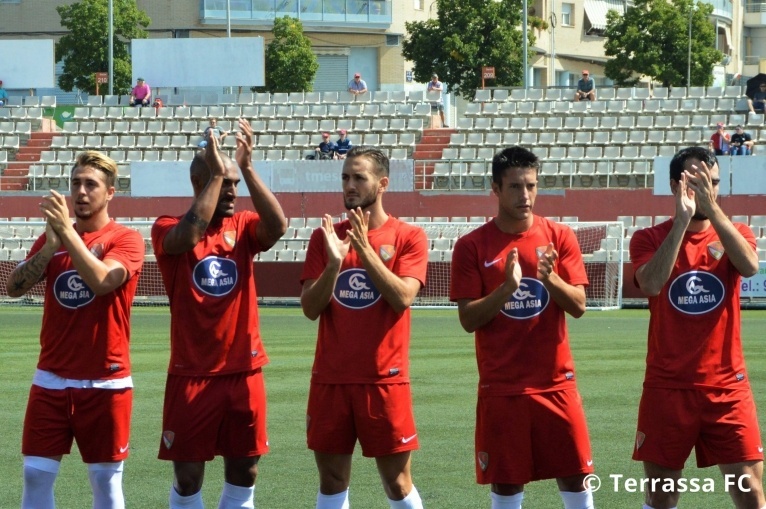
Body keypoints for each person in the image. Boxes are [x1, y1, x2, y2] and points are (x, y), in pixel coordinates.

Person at [151, 118, 287, 509]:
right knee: (188, 476)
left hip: (243, 370)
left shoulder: (242, 226)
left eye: (234, 184)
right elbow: (188, 236)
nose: (232, 191)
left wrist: (245, 167)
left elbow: (278, 226)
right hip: (192, 374)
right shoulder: (165, 227)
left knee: (245, 470)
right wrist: (215, 170)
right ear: (200, 182)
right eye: (224, 183)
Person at [450, 146, 595, 509]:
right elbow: (468, 320)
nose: (525, 195)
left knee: (577, 476)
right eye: (515, 187)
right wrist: (506, 289)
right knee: (507, 485)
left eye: (531, 185)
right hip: (502, 389)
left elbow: (578, 307)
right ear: (495, 189)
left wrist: (551, 280)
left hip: (556, 384)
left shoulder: (559, 237)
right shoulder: (471, 246)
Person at [5, 151, 144, 509]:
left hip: (105, 381)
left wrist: (67, 233)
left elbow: (101, 281)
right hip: (51, 378)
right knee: (35, 476)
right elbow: (14, 287)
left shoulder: (125, 239)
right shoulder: (53, 239)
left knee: (104, 482)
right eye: (75, 183)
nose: (81, 192)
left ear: (110, 192)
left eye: (91, 184)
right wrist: (51, 246)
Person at [629, 146, 764, 509]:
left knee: (749, 490)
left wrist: (712, 209)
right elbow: (652, 284)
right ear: (676, 186)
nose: (707, 188)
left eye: (713, 182)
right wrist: (680, 222)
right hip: (667, 388)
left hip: (726, 388)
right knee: (661, 495)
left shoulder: (736, 232)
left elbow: (750, 267)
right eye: (696, 182)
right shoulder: (648, 238)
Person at [300, 147, 428, 509]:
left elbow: (403, 297)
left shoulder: (409, 236)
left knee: (398, 483)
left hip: (384, 380)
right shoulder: (325, 237)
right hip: (331, 380)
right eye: (345, 177)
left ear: (382, 184)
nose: (350, 185)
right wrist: (334, 264)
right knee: (332, 480)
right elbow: (310, 308)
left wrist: (364, 249)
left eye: (359, 177)